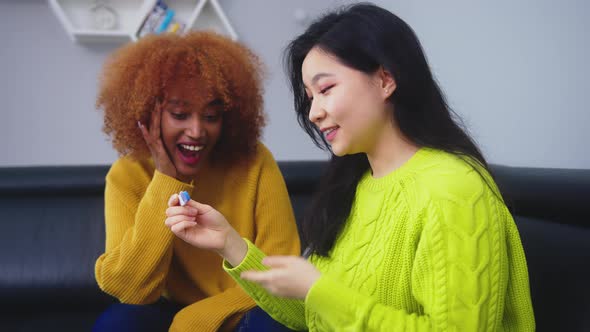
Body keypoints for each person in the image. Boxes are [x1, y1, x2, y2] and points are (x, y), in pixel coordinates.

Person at [165, 3, 535, 331]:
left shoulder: (454, 190)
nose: (313, 113)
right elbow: (314, 315)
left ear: (386, 79)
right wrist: (229, 243)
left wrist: (318, 290)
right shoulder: (358, 184)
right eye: (310, 98)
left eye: (325, 89)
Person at [92, 31, 300, 332]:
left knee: (274, 325)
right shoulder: (128, 175)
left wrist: (200, 319)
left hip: (246, 307)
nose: (197, 131)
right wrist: (166, 179)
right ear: (149, 114)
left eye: (211, 116)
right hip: (165, 310)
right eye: (180, 114)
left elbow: (281, 273)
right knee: (117, 323)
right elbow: (131, 289)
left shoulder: (254, 162)